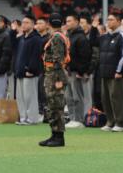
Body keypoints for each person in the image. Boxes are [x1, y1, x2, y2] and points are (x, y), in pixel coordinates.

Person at [39, 14, 70, 147]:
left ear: (48, 23)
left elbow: (58, 59)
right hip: (53, 73)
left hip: (54, 74)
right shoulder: (59, 36)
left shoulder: (56, 38)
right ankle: (54, 134)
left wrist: (58, 79)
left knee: (56, 105)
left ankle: (58, 137)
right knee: (53, 105)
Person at [98, 13, 123, 132]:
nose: (108, 22)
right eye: (108, 20)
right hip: (105, 72)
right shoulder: (106, 36)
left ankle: (120, 123)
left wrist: (119, 70)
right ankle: (110, 121)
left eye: (111, 19)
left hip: (116, 73)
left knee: (116, 97)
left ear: (118, 21)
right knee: (105, 98)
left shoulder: (122, 36)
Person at [13, 16, 43, 125]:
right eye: (23, 22)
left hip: (30, 72)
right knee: (20, 97)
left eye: (27, 22)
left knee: (30, 97)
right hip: (20, 71)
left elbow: (36, 56)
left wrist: (31, 69)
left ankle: (32, 118)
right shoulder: (22, 38)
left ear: (32, 25)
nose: (24, 24)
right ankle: (23, 117)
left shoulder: (36, 38)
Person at [65, 14, 92, 128]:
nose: (67, 23)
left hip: (77, 72)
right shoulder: (69, 36)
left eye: (70, 21)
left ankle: (79, 119)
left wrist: (81, 71)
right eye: (66, 21)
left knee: (77, 96)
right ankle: (72, 118)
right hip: (69, 71)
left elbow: (85, 56)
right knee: (69, 97)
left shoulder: (81, 37)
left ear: (77, 22)